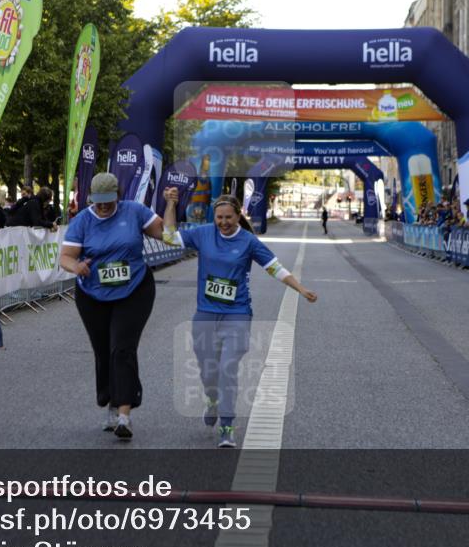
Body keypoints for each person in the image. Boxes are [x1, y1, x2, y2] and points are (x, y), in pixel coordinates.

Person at [162, 188, 318, 447]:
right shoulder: (202, 234)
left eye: (228, 218)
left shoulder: (248, 241)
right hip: (206, 314)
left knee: (228, 369)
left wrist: (300, 288)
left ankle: (227, 426)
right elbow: (169, 237)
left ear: (238, 216)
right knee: (207, 370)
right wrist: (169, 204)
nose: (223, 223)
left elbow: (275, 268)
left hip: (237, 314)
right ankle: (211, 399)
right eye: (219, 218)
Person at [59, 173, 166, 441]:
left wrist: (171, 206)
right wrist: (77, 266)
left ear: (118, 195)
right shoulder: (82, 220)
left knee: (122, 348)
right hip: (92, 294)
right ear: (91, 198)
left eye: (109, 201)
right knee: (104, 351)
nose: (104, 206)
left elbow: (166, 234)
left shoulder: (134, 211)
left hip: (135, 290)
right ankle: (111, 402)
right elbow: (66, 257)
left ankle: (124, 415)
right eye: (99, 202)